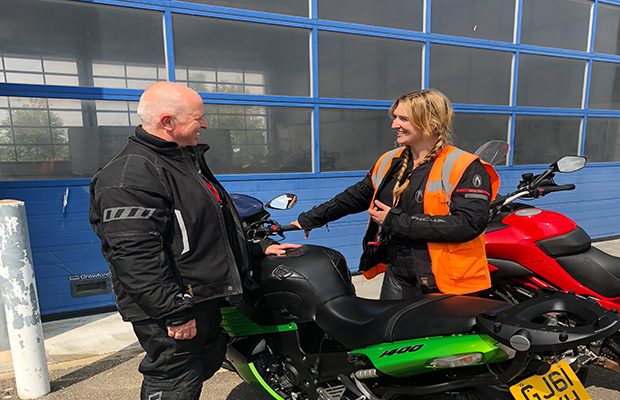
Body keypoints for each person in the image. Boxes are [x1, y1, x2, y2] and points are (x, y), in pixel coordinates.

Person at [89, 81, 299, 400]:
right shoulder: (131, 175)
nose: (205, 124)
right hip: (173, 302)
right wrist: (173, 311)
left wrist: (256, 247)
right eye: (197, 117)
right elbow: (134, 256)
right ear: (167, 122)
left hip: (200, 295)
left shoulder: (183, 160)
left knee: (206, 359)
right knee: (174, 378)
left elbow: (210, 224)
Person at [293, 89, 499, 300]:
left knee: (433, 335)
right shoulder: (390, 161)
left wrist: (394, 220)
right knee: (388, 332)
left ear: (430, 121)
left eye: (403, 119)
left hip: (446, 281)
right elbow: (355, 196)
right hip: (399, 274)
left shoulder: (463, 166)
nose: (394, 125)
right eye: (395, 118)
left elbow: (468, 224)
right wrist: (308, 219)